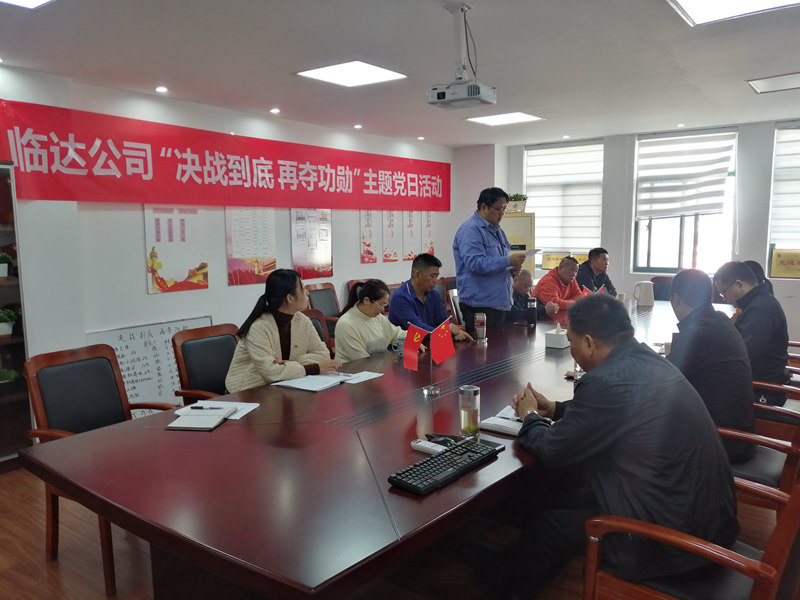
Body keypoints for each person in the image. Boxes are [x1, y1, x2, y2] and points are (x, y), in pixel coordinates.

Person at [463, 294, 739, 600]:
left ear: (589, 342)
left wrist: (529, 416)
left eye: (572, 342)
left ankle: (503, 583)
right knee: (564, 496)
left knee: (550, 525)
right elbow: (614, 411)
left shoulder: (606, 382)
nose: (572, 349)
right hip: (700, 516)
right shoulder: (644, 360)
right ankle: (515, 575)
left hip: (673, 543)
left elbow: (554, 450)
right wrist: (555, 409)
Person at [667, 269, 754, 462]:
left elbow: (661, 379)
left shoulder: (698, 332)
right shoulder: (718, 321)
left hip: (722, 443)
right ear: (711, 296)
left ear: (675, 299)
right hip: (734, 434)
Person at [225, 269, 340, 392]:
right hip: (248, 391)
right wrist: (314, 368)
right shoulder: (259, 327)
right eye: (302, 288)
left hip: (285, 385)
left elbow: (323, 355)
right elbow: (271, 373)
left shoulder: (302, 320)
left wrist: (290, 364)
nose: (307, 292)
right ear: (290, 298)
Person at [714, 261, 790, 405]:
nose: (725, 299)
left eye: (724, 293)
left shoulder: (760, 310)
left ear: (739, 285)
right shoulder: (758, 302)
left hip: (762, 390)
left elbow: (743, 356)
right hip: (757, 381)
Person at [452, 187, 527, 333]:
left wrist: (512, 269)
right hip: (480, 308)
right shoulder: (470, 230)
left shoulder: (498, 231)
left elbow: (498, 263)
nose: (502, 213)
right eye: (499, 209)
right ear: (484, 207)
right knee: (482, 347)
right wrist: (508, 261)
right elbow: (475, 263)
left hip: (501, 305)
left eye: (504, 209)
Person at [388, 253, 472, 341]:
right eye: (432, 276)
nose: (436, 281)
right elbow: (417, 328)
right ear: (417, 275)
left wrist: (452, 328)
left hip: (433, 343)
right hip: (405, 346)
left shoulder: (434, 294)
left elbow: (442, 320)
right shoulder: (400, 298)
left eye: (437, 276)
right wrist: (447, 332)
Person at [334, 279, 406, 363]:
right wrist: (390, 361)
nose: (383, 309)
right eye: (381, 304)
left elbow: (396, 334)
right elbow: (361, 359)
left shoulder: (378, 317)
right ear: (366, 300)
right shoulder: (346, 324)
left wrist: (414, 338)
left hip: (378, 366)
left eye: (385, 304)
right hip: (355, 369)